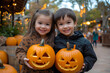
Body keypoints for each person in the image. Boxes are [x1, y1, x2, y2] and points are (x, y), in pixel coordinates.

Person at [54, 8, 97, 73]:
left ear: (75, 23)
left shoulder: (84, 42)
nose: (65, 26)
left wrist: (85, 64)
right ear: (57, 27)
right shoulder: (55, 41)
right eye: (61, 24)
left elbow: (91, 56)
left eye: (68, 22)